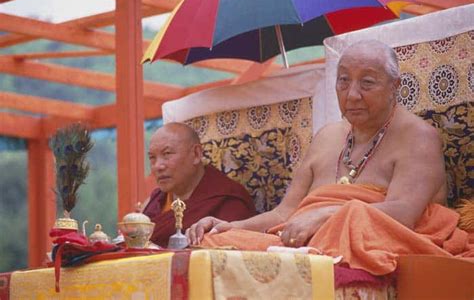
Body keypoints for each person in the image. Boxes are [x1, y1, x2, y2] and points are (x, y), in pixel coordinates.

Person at [186, 40, 473, 275]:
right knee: (214, 243)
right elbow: (285, 214)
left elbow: (403, 216)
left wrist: (328, 215)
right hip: (303, 243)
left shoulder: (417, 136)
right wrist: (231, 226)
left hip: (358, 243)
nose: (352, 95)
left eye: (367, 83)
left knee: (345, 226)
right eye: (344, 81)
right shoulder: (327, 137)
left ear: (394, 87)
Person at [142, 122, 257, 247]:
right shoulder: (156, 199)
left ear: (196, 154)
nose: (158, 166)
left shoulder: (227, 200)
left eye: (167, 154)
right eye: (152, 158)